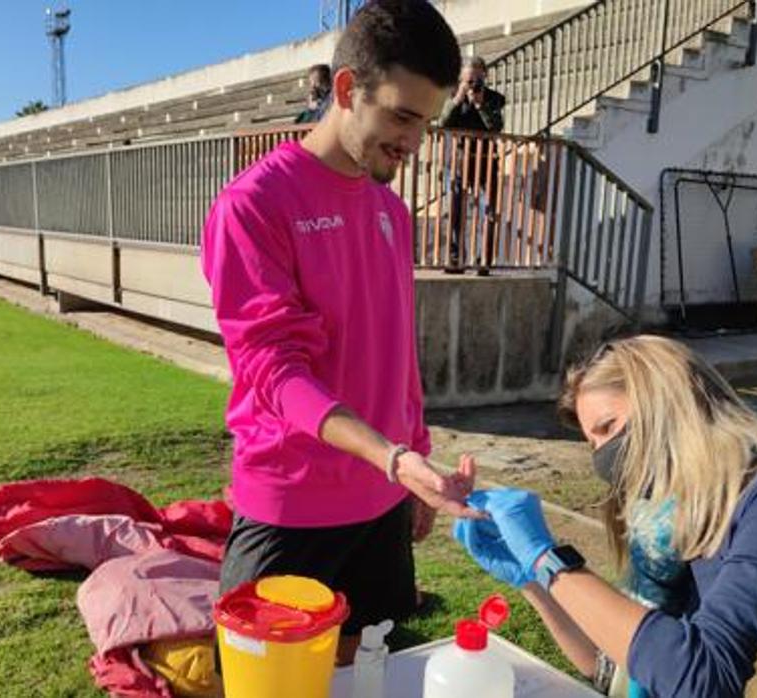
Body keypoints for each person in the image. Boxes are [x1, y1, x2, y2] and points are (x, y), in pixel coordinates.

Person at [201, 0, 481, 665]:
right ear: (347, 90)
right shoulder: (253, 206)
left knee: (361, 675)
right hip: (290, 506)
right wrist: (391, 455)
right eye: (402, 116)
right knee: (268, 681)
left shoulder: (391, 210)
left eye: (428, 122)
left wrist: (414, 455)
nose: (413, 142)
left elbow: (395, 345)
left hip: (383, 497)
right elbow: (274, 373)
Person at [455, 335, 757, 697]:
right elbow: (616, 667)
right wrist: (532, 580)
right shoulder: (674, 521)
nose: (603, 457)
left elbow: (704, 681)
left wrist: (549, 560)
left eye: (610, 428)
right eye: (593, 443)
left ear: (670, 402)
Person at [441, 56, 506, 273]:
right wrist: (458, 99)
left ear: (485, 76)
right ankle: (456, 258)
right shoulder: (453, 97)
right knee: (456, 211)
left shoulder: (494, 99)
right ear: (461, 79)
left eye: (478, 78)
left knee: (487, 212)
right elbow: (443, 123)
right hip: (460, 161)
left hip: (487, 161)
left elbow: (496, 127)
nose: (473, 84)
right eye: (469, 80)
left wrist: (480, 105)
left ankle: (483, 260)